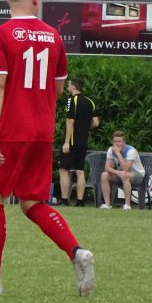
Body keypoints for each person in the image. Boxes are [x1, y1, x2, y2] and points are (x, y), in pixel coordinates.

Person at [0, 0, 94, 297]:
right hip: (41, 132)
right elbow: (58, 88)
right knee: (33, 202)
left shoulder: (0, 35)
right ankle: (76, 252)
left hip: (10, 130)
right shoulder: (54, 36)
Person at [57, 78, 99, 207]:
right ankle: (80, 201)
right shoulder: (90, 102)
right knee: (80, 170)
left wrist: (66, 142)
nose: (67, 87)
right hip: (83, 141)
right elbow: (96, 123)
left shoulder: (71, 100)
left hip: (72, 141)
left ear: (74, 87)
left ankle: (65, 200)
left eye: (69, 85)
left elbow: (70, 121)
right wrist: (85, 128)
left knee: (63, 169)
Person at [99, 131, 145, 210]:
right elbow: (107, 167)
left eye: (119, 141)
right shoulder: (111, 150)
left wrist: (118, 154)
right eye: (115, 141)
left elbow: (126, 169)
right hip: (122, 173)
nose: (117, 143)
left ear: (124, 142)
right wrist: (118, 172)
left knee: (125, 175)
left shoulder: (131, 151)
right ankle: (107, 204)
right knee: (104, 175)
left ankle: (127, 205)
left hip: (138, 175)